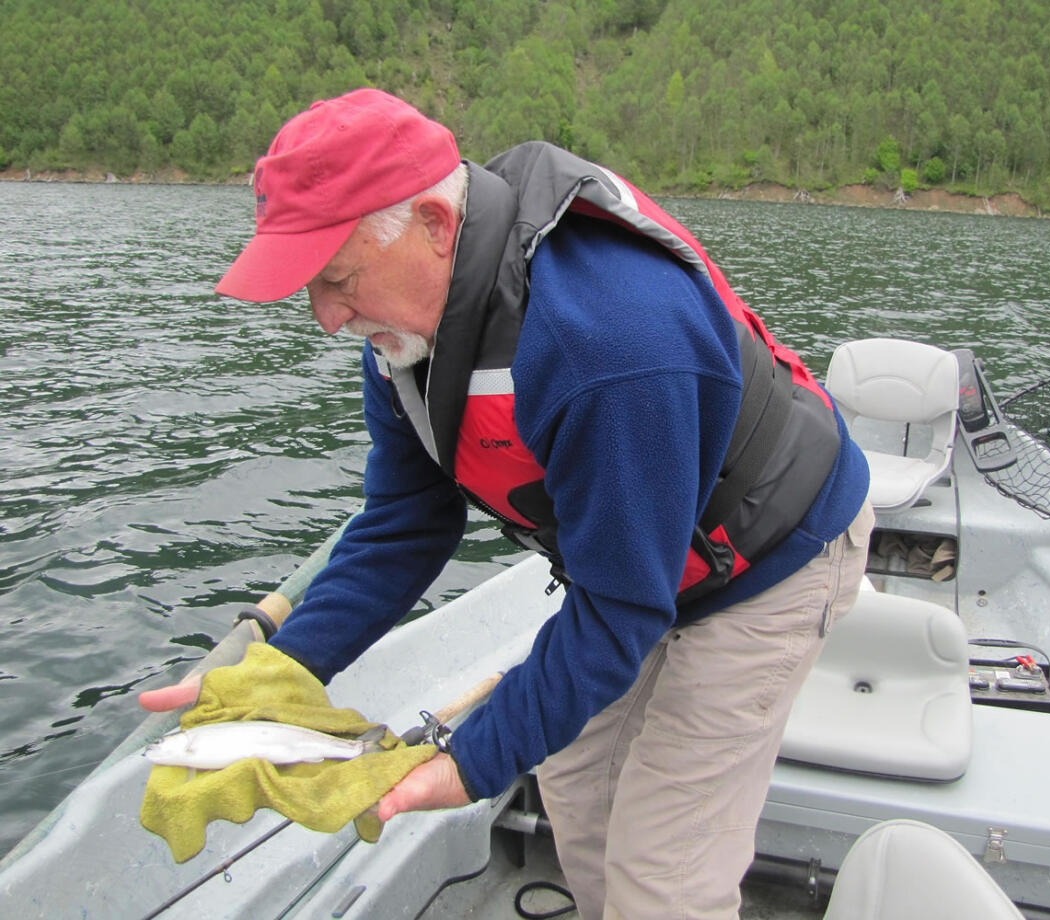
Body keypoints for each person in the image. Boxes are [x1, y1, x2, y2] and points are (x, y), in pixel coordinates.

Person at [141, 87, 872, 919]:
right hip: (633, 560)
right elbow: (402, 523)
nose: (326, 317)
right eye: (312, 286)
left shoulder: (608, 339)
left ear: (434, 224)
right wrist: (282, 669)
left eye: (337, 279)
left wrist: (466, 764)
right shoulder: (404, 332)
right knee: (576, 788)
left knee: (661, 874)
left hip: (768, 563)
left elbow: (621, 609)